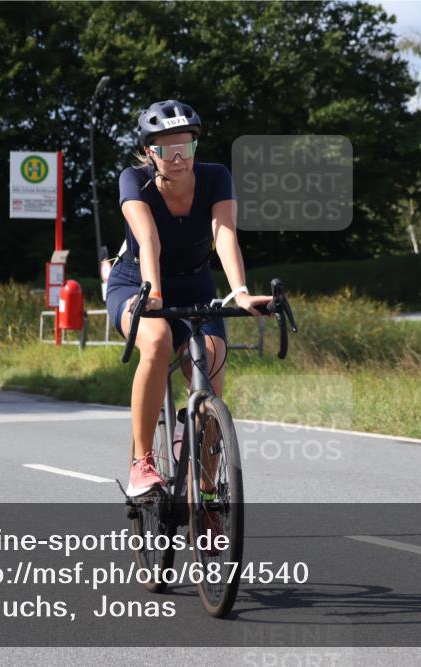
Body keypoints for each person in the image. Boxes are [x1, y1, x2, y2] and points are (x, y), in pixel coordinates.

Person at [106, 99, 272, 497]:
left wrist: (240, 293)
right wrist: (154, 293)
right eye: (166, 148)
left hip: (195, 284)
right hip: (136, 282)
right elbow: (149, 240)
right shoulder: (133, 180)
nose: (178, 157)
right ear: (150, 151)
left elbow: (224, 233)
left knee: (211, 361)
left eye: (187, 146)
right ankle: (142, 463)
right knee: (158, 340)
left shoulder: (215, 177)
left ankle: (208, 492)